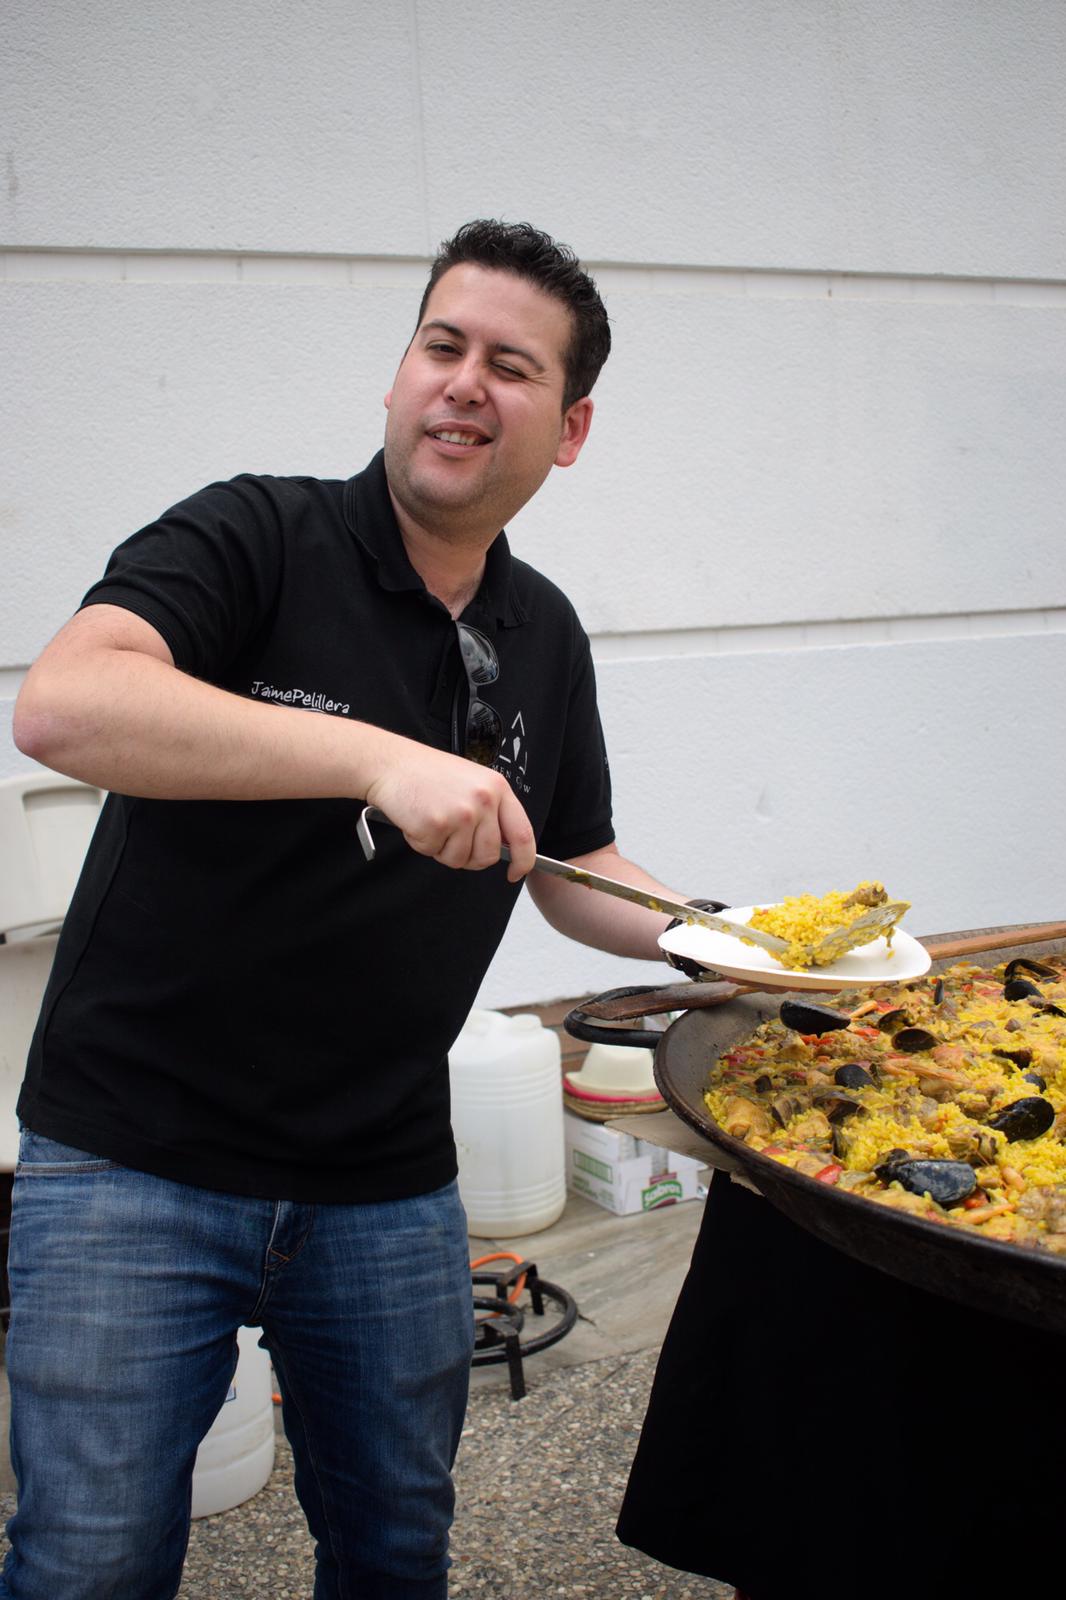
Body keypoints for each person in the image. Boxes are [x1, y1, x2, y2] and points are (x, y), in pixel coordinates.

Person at [6, 220, 690, 1600]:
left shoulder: (544, 634)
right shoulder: (254, 533)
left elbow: (578, 862)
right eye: (440, 346)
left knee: (392, 1548)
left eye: (510, 366)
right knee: (87, 1565)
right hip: (134, 1161)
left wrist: (737, 939)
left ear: (568, 430)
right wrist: (377, 757)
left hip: (382, 1182)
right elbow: (66, 704)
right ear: (396, 376)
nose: (461, 384)